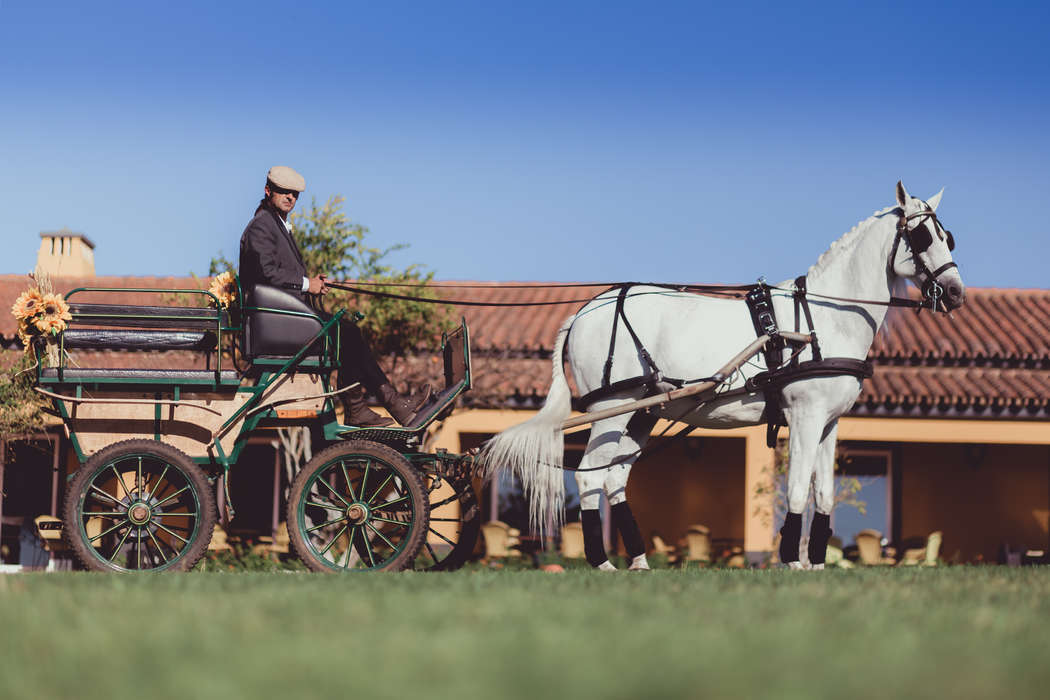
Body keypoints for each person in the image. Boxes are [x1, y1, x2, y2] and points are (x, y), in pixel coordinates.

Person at [239, 165, 430, 427]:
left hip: (284, 319)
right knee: (347, 333)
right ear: (268, 190)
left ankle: (372, 406)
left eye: (295, 194)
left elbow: (277, 274)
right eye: (284, 192)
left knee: (346, 331)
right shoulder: (262, 226)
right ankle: (380, 405)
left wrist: (313, 284)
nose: (290, 198)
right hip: (275, 324)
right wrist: (307, 285)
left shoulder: (275, 225)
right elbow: (266, 273)